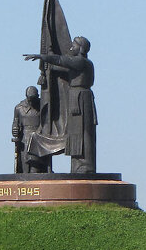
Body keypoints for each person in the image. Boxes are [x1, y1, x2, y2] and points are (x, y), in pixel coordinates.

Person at [24, 36, 96, 173]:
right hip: (76, 96)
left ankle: (84, 165)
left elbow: (61, 60)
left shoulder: (81, 62)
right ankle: (78, 165)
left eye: (74, 45)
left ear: (81, 48)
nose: (71, 47)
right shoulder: (80, 64)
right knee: (76, 132)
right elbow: (63, 67)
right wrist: (49, 68)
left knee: (81, 131)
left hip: (80, 98)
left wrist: (43, 56)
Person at [12, 85, 49, 173]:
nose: (32, 102)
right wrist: (15, 129)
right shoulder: (19, 108)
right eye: (30, 99)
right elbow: (15, 122)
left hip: (39, 137)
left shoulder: (43, 107)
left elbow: (47, 123)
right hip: (25, 139)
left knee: (35, 167)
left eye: (34, 99)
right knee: (25, 166)